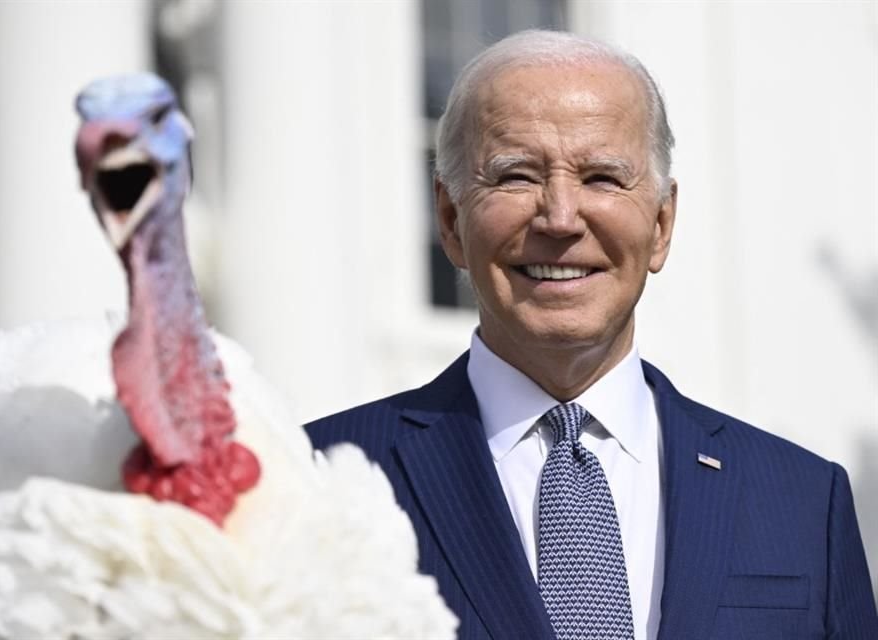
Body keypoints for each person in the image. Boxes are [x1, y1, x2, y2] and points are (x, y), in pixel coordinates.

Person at [306, 30, 877, 640]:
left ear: (660, 225)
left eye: (602, 178)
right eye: (517, 176)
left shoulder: (802, 502)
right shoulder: (312, 484)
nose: (559, 218)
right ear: (450, 220)